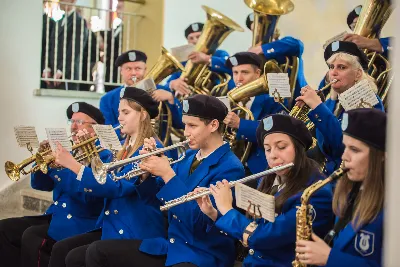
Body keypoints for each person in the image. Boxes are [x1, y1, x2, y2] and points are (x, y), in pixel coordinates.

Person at [82, 95, 245, 267]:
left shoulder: (230, 167)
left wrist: (167, 174)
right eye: (185, 125)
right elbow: (156, 198)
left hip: (201, 253)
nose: (186, 132)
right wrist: (147, 174)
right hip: (172, 246)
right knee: (97, 252)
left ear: (213, 125)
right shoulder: (188, 156)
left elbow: (199, 222)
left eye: (192, 125)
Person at [48, 87, 166, 267]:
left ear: (143, 115)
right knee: (65, 252)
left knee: (77, 255)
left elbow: (117, 187)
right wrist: (88, 156)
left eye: (126, 112)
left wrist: (73, 164)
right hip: (112, 225)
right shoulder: (122, 148)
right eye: (119, 112)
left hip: (135, 231)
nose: (119, 118)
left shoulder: (150, 149)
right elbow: (102, 176)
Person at [196, 114, 333, 266]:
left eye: (281, 147)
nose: (273, 155)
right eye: (267, 149)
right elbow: (253, 226)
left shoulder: (317, 194)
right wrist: (214, 213)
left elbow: (265, 237)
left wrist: (227, 210)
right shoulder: (269, 180)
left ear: (299, 148)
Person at [0, 102, 106, 267]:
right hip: (56, 215)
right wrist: (42, 161)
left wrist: (59, 168)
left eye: (79, 122)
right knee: (4, 229)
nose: (73, 127)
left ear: (96, 127)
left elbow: (87, 197)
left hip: (81, 221)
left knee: (32, 237)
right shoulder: (70, 151)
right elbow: (41, 186)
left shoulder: (102, 156)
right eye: (71, 122)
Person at [296, 108, 386, 267]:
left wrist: (329, 258)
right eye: (346, 147)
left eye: (355, 149)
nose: (344, 157)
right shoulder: (352, 190)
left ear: (382, 158)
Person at [296, 41, 384, 175]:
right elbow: (324, 144)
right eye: (331, 67)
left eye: (342, 67)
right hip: (329, 172)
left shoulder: (366, 99)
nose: (333, 73)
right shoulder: (332, 101)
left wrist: (318, 107)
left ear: (358, 74)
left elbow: (342, 148)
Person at [223, 52, 287, 178]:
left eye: (244, 72)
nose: (239, 78)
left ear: (258, 73)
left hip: (261, 168)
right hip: (232, 165)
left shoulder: (272, 99)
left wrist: (240, 124)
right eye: (235, 73)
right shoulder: (229, 96)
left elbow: (275, 131)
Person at [165, 22, 233, 97]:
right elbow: (167, 84)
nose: (195, 41)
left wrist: (207, 59)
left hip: (217, 98)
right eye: (191, 38)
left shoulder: (219, 54)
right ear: (188, 41)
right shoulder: (184, 62)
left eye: (198, 37)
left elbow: (232, 66)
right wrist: (172, 84)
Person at [42, 0, 88, 90]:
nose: (61, 2)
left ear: (73, 1)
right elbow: (50, 45)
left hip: (67, 75)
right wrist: (46, 68)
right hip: (52, 75)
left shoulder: (79, 22)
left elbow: (75, 49)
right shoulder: (59, 22)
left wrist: (61, 70)